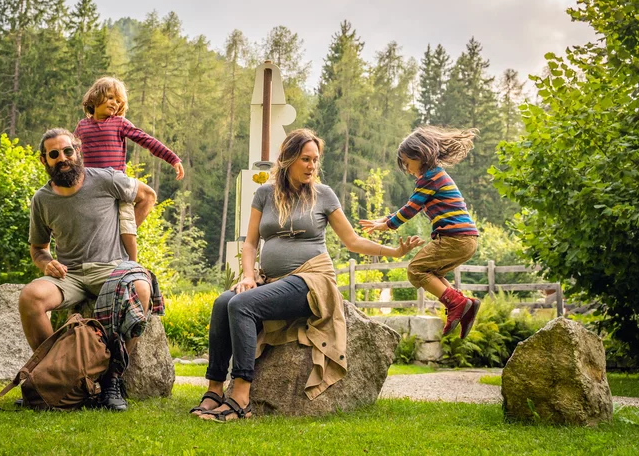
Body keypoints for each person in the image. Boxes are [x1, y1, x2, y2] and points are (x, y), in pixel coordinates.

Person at [191, 129, 421, 422]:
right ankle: (213, 390)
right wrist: (248, 276)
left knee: (241, 305)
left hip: (312, 280)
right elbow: (250, 243)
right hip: (271, 280)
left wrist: (394, 252)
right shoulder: (264, 194)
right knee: (224, 302)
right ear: (288, 159)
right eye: (305, 159)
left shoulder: (324, 195)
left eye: (315, 160)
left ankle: (241, 396)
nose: (312, 166)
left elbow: (352, 241)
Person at [19, 128, 161, 411]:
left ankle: (112, 381)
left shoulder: (106, 179)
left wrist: (126, 234)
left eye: (68, 151)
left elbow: (147, 195)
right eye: (54, 154)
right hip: (68, 275)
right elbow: (38, 249)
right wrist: (47, 262)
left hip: (111, 269)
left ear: (78, 150)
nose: (63, 158)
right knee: (30, 297)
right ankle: (57, 377)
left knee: (141, 288)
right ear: (43, 160)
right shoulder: (42, 199)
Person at [360, 125, 481, 339]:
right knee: (432, 273)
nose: (407, 170)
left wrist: (388, 225)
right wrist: (385, 219)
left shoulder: (430, 178)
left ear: (421, 154)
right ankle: (465, 306)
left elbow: (410, 208)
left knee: (415, 270)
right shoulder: (435, 176)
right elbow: (411, 204)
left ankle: (457, 303)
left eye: (407, 163)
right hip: (466, 239)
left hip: (454, 238)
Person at [74, 76, 184, 263]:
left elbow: (146, 140)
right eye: (110, 97)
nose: (114, 103)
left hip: (117, 186)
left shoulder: (119, 123)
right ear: (95, 97)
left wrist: (172, 158)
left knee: (127, 226)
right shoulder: (82, 126)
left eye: (118, 101)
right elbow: (72, 153)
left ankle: (131, 265)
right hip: (92, 185)